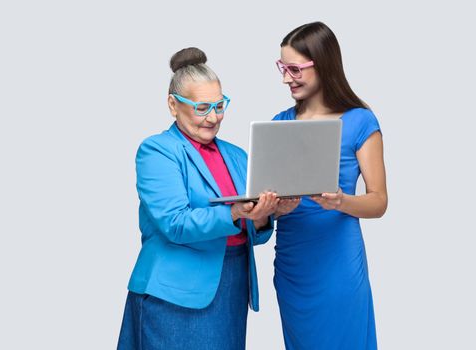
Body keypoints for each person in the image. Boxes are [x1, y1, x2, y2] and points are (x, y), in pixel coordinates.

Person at [117, 47, 293, 350]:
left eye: (220, 106)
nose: (213, 118)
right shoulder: (158, 151)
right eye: (201, 108)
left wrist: (265, 214)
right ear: (173, 105)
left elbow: (252, 231)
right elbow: (175, 224)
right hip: (174, 295)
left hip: (230, 288)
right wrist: (235, 213)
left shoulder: (236, 155)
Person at [272, 22, 388, 349]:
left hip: (338, 259)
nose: (285, 78)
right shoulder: (280, 123)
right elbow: (273, 200)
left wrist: (340, 202)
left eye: (295, 69)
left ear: (322, 64)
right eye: (282, 68)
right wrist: (271, 208)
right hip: (294, 262)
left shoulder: (360, 121)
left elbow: (378, 201)